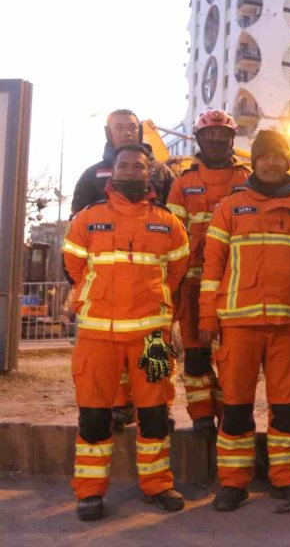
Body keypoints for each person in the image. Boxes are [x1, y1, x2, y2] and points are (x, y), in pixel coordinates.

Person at [62, 144, 189, 521]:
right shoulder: (88, 218)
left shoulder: (168, 222)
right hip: (97, 336)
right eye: (124, 165)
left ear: (148, 173)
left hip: (152, 337)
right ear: (112, 170)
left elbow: (177, 272)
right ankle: (89, 492)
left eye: (139, 166)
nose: (131, 171)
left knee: (154, 415)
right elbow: (73, 266)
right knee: (94, 417)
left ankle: (157, 484)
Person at [199, 130, 290, 511]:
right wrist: (207, 317)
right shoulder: (230, 207)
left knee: (286, 407)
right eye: (263, 156)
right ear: (255, 161)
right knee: (235, 406)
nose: (270, 163)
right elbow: (212, 266)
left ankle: (287, 477)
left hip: (286, 325)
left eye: (277, 156)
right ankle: (233, 482)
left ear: (288, 162)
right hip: (237, 324)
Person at [71, 109, 177, 430]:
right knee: (108, 360)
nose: (128, 133)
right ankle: (119, 406)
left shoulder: (161, 173)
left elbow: (177, 239)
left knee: (154, 360)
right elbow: (76, 235)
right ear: (108, 132)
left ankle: (158, 408)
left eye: (132, 127)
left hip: (148, 297)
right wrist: (85, 286)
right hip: (105, 296)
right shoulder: (93, 175)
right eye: (120, 128)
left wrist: (163, 288)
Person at [166, 110, 250, 435]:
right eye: (210, 136)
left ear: (231, 140)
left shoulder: (245, 178)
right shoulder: (183, 182)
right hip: (192, 280)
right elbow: (172, 235)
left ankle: (230, 410)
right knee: (196, 352)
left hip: (234, 280)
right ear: (199, 139)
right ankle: (202, 414)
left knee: (231, 353)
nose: (216, 141)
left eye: (222, 136)